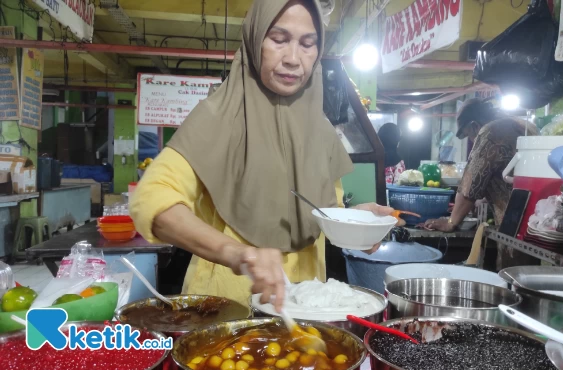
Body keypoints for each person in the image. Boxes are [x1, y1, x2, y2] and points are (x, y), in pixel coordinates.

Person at [130, 0, 393, 312]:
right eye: (279, 40)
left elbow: (315, 215)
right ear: (255, 41)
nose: (294, 59)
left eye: (308, 44)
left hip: (307, 306)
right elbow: (151, 201)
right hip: (229, 309)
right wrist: (236, 253)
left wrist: (353, 224)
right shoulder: (219, 116)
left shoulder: (320, 129)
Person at [424, 98, 539, 269]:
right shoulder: (523, 125)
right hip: (541, 217)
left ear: (474, 126)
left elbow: (470, 184)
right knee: (533, 273)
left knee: (513, 275)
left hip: (515, 220)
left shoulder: (489, 132)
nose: (472, 140)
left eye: (470, 135)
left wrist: (451, 222)